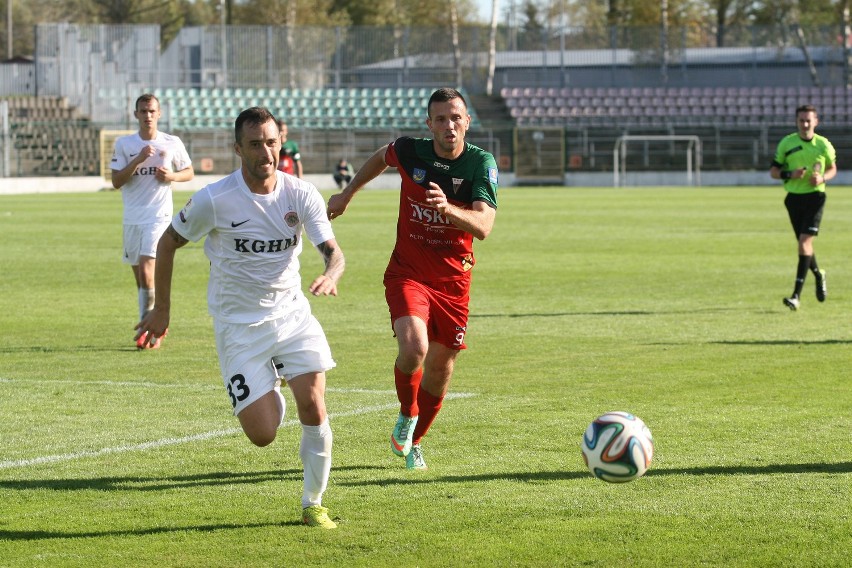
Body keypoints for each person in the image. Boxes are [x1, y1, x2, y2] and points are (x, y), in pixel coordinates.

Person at [136, 107, 345, 529]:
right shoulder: (216, 198)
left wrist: (330, 272)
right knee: (262, 434)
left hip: (292, 315)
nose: (265, 152)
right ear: (238, 148)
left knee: (315, 402)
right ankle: (270, 387)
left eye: (271, 142)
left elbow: (333, 251)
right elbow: (168, 241)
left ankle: (313, 502)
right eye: (255, 144)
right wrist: (161, 308)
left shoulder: (300, 193)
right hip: (238, 326)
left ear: (279, 143)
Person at [327, 88, 498, 471]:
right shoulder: (410, 151)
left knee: (441, 367)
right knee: (414, 347)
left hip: (454, 281)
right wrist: (348, 193)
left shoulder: (479, 164)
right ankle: (407, 414)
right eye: (440, 118)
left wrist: (449, 210)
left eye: (456, 117)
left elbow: (484, 226)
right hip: (409, 273)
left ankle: (415, 440)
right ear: (429, 124)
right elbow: (381, 158)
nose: (449, 125)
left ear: (467, 121)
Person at [111, 93, 194, 349]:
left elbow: (189, 172)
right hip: (132, 219)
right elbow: (115, 182)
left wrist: (171, 176)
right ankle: (155, 323)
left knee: (148, 274)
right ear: (136, 114)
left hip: (158, 217)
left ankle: (149, 333)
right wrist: (138, 160)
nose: (148, 115)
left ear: (159, 114)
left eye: (152, 111)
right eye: (143, 111)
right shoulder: (125, 144)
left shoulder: (171, 142)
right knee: (140, 280)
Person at [769, 104, 837, 311]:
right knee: (804, 246)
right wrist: (790, 175)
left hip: (815, 197)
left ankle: (796, 296)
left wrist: (822, 177)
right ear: (796, 122)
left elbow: (833, 169)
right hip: (793, 199)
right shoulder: (787, 143)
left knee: (804, 243)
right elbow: (773, 171)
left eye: (809, 120)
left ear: (816, 121)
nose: (805, 124)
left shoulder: (824, 145)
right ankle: (818, 274)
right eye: (801, 120)